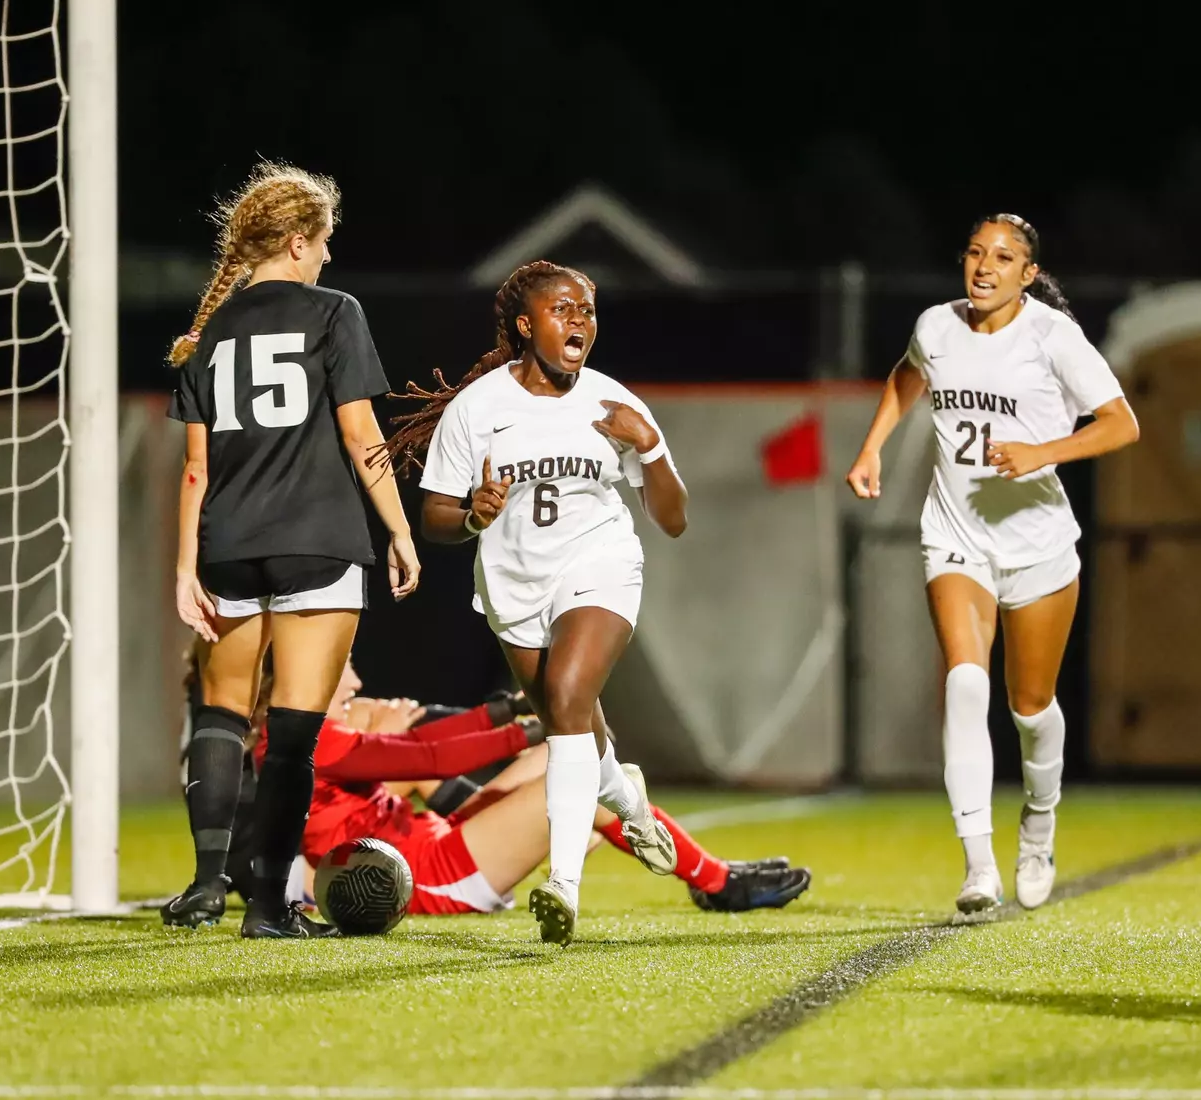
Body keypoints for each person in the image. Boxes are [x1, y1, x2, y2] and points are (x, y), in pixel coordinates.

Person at [380, 260, 691, 945]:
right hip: (513, 583)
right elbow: (434, 515)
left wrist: (650, 446)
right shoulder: (478, 408)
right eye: (563, 309)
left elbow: (671, 518)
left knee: (571, 695)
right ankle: (627, 798)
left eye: (588, 310)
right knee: (567, 724)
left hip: (598, 565)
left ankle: (564, 887)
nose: (580, 320)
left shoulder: (613, 403)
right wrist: (471, 515)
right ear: (525, 325)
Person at [845, 213, 1139, 914]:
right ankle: (978, 866)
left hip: (1035, 546)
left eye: (1002, 258)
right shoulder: (936, 326)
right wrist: (872, 445)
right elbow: (905, 375)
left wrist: (1043, 452)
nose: (983, 267)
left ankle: (1038, 826)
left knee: (1029, 709)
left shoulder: (1051, 336)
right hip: (956, 537)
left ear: (1026, 274)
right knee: (964, 682)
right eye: (975, 253)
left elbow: (1121, 423)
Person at [162, 160, 420, 939]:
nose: (330, 258)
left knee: (219, 716)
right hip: (317, 544)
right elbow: (360, 432)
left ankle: (207, 885)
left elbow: (196, 469)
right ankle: (267, 908)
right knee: (293, 739)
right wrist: (399, 529)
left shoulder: (207, 333)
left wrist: (183, 570)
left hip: (227, 548)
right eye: (326, 242)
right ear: (300, 241)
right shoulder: (333, 310)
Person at [236, 658, 811, 917]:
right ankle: (716, 881)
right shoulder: (306, 741)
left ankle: (663, 858)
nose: (356, 681)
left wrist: (512, 713)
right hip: (439, 874)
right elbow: (428, 756)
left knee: (561, 759)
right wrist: (529, 724)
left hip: (443, 843)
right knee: (577, 776)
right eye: (343, 672)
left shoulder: (301, 735)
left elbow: (428, 748)